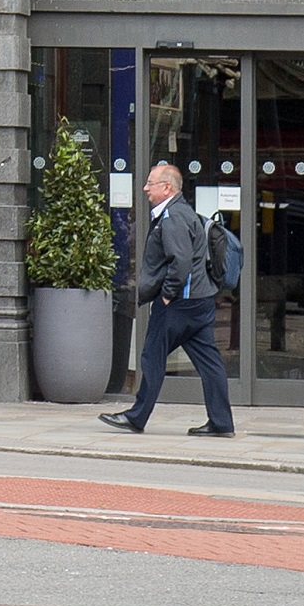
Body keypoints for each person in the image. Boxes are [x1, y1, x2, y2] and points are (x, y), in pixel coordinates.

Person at [103, 161, 235, 438]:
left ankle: (136, 417)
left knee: (152, 356)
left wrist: (167, 294)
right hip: (200, 299)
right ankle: (221, 422)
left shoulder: (173, 217)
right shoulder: (183, 213)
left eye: (150, 183)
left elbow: (181, 261)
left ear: (167, 187)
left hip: (180, 302)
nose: (145, 188)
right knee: (209, 361)